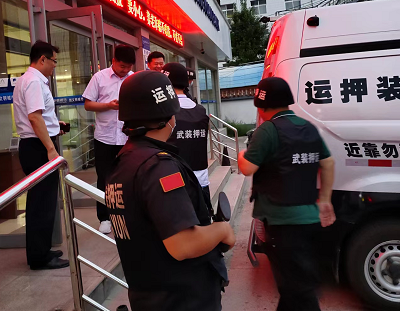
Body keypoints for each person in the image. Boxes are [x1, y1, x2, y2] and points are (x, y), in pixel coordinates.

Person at [106, 70, 235, 311]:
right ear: (169, 117)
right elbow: (183, 243)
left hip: (150, 296)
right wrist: (222, 230)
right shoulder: (158, 166)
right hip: (184, 299)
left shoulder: (123, 161)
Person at [238, 77, 336, 311]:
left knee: (298, 290)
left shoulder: (267, 130)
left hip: (282, 222)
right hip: (310, 218)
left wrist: (242, 154)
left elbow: (247, 168)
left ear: (261, 107)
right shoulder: (307, 127)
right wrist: (324, 200)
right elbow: (328, 162)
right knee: (293, 284)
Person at [13, 40, 69, 270]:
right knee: (41, 204)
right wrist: (51, 148)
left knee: (42, 202)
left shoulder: (28, 79)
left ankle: (42, 250)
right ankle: (39, 257)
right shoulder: (34, 82)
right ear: (43, 59)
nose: (55, 65)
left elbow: (39, 117)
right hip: (38, 148)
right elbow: (34, 118)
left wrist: (56, 126)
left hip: (35, 144)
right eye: (53, 61)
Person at [83, 44, 135, 234]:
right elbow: (88, 105)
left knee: (128, 177)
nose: (125, 70)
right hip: (104, 137)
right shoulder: (99, 77)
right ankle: (104, 218)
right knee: (104, 178)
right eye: (122, 66)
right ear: (113, 61)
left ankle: (128, 214)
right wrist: (108, 106)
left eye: (128, 67)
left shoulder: (134, 79)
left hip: (127, 137)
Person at [163, 62, 213, 215]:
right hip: (201, 179)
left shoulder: (165, 112)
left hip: (172, 180)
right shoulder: (200, 110)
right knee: (203, 221)